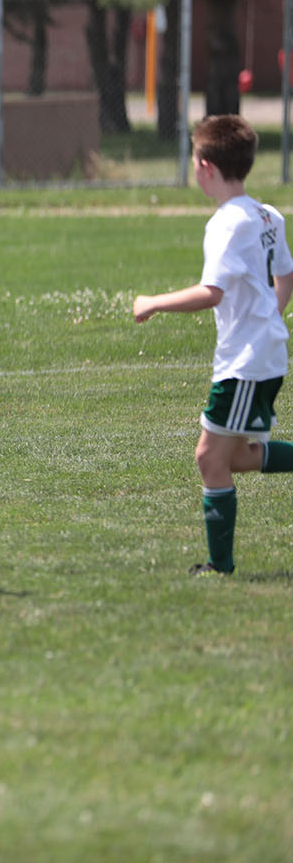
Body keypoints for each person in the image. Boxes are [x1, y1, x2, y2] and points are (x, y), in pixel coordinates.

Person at [133, 114, 293, 576]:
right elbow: (286, 274)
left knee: (209, 458)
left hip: (245, 363)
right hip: (262, 354)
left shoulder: (227, 224)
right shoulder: (268, 214)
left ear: (205, 166)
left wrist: (153, 302)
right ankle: (219, 565)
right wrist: (269, 317)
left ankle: (219, 567)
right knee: (235, 457)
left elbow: (212, 293)